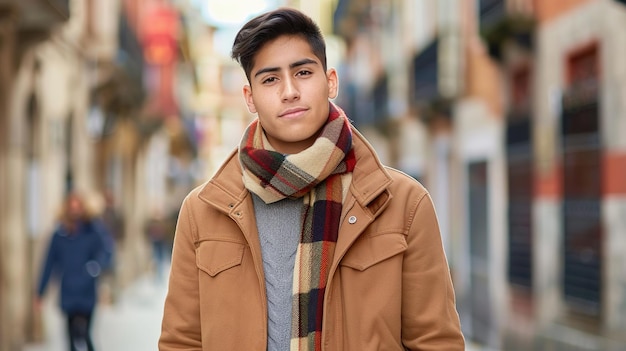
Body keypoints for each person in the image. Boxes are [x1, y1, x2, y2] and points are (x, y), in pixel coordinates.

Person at [159, 7, 465, 351]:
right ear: (250, 98)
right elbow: (180, 341)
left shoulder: (404, 204)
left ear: (330, 80)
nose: (289, 91)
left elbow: (436, 342)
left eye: (303, 72)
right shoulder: (203, 212)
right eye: (270, 79)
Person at [35, 192, 110, 351]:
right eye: (72, 207)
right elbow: (49, 263)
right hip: (69, 291)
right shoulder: (60, 234)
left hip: (87, 290)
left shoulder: (93, 230)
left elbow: (107, 252)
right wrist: (40, 292)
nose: (75, 211)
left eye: (78, 207)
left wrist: (95, 267)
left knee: (86, 334)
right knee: (70, 338)